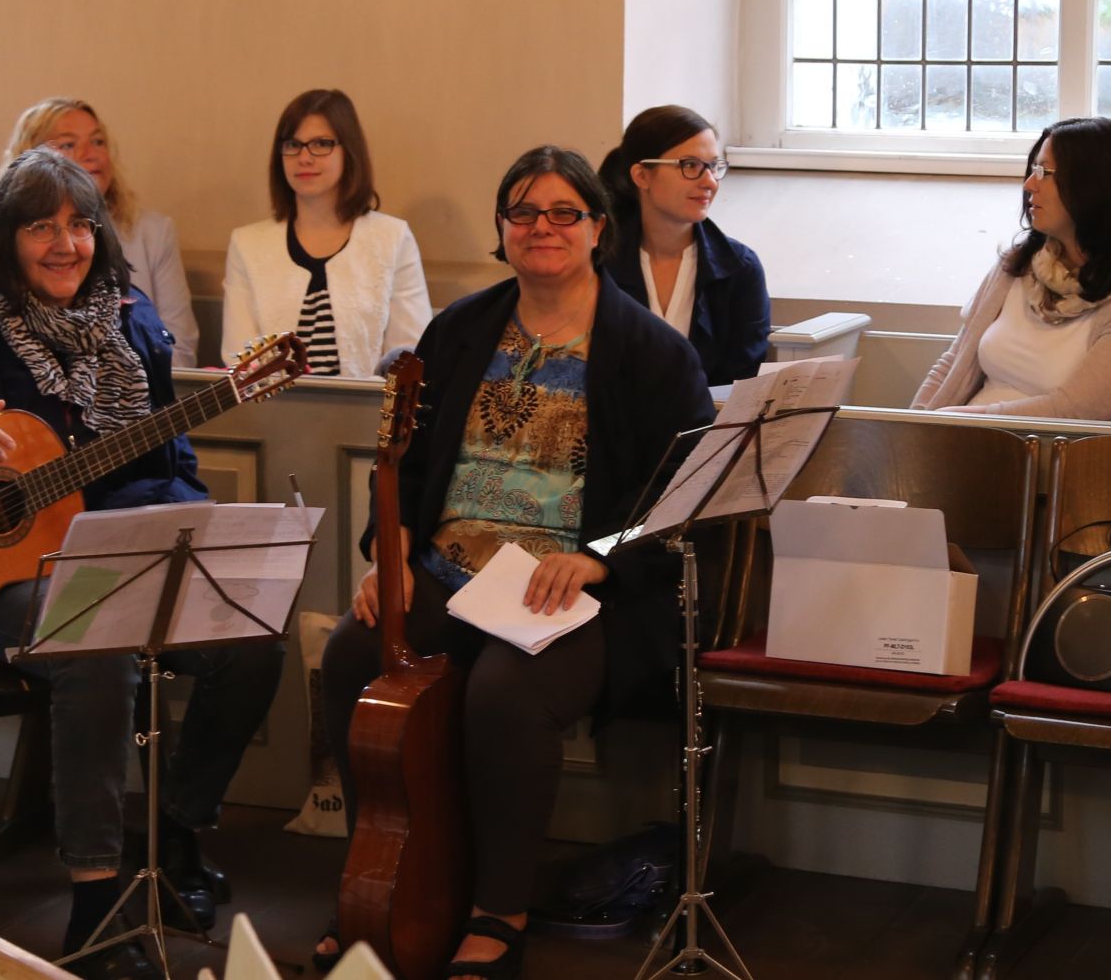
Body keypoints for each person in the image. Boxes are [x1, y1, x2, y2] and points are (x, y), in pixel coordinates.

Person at [0, 149, 283, 980]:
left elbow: (179, 466)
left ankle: (172, 840)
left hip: (118, 552)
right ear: (4, 239)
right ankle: (97, 900)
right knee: (96, 643)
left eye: (80, 224)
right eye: (41, 227)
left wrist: (164, 511)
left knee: (253, 644)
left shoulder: (136, 325)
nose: (66, 244)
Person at [315, 146, 715, 979]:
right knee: (353, 655)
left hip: (577, 587)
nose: (543, 228)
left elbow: (680, 500)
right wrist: (388, 553)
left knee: (506, 689)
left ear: (600, 228)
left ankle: (500, 908)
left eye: (565, 212)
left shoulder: (650, 352)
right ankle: (381, 882)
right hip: (454, 566)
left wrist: (597, 561)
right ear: (502, 229)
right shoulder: (461, 329)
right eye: (524, 213)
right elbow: (411, 466)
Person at [912, 117, 1111, 421]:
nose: (1029, 185)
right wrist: (912, 427)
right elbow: (952, 363)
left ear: (1096, 185)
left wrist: (964, 421)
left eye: (1044, 172)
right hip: (967, 441)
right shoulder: (1016, 265)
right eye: (1032, 170)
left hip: (1063, 459)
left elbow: (1078, 411)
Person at [0, 96, 200, 368]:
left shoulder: (154, 231)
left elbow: (179, 350)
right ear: (32, 159)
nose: (90, 154)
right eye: (69, 144)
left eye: (98, 141)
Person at [222, 89, 431, 377]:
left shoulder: (393, 238)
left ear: (350, 151)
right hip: (269, 416)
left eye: (321, 144)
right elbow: (239, 360)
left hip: (369, 417)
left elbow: (409, 355)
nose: (304, 158)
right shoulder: (247, 244)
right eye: (293, 144)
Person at [599, 104, 771, 385]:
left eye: (714, 166)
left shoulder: (741, 269)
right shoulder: (598, 264)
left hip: (709, 428)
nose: (710, 182)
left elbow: (741, 381)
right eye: (690, 165)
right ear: (642, 175)